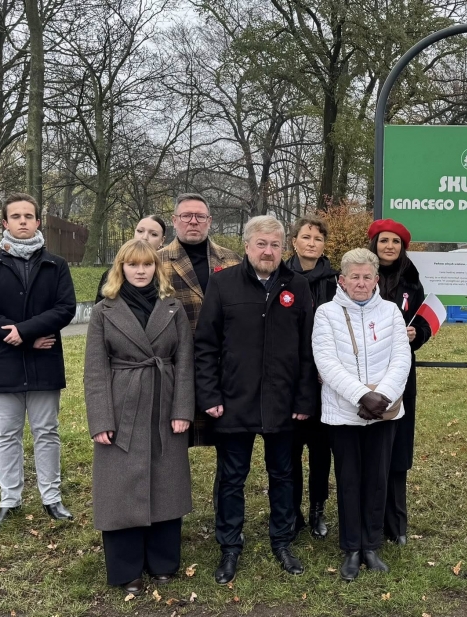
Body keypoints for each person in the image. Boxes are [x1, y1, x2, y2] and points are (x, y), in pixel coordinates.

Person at [194, 215, 318, 582]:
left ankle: (282, 541)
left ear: (283, 248)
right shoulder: (223, 284)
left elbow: (308, 348)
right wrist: (209, 394)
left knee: (283, 475)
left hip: (282, 402)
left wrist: (304, 399)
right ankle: (230, 546)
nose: (268, 251)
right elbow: (205, 345)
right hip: (235, 400)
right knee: (232, 478)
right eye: (261, 244)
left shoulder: (298, 286)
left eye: (275, 245)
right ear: (247, 246)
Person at [84, 239, 195, 594]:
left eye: (147, 264)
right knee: (119, 486)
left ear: (156, 268)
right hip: (121, 405)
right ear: (121, 268)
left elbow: (185, 362)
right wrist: (101, 420)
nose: (141, 270)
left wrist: (182, 409)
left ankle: (163, 561)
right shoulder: (103, 310)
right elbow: (95, 370)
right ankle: (126, 567)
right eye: (133, 264)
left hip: (164, 401)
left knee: (166, 480)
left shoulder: (173, 307)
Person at [0, 193, 76, 533]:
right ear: (5, 222)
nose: (23, 221)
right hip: (4, 363)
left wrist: (25, 331)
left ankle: (51, 498)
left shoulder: (56, 265)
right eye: (15, 216)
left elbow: (65, 308)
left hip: (45, 362)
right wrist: (26, 338)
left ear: (37, 221)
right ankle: (9, 500)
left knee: (47, 432)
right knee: (6, 434)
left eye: (28, 216)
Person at [312, 248, 411, 581]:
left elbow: (401, 358)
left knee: (377, 478)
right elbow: (326, 361)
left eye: (367, 277)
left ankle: (371, 544)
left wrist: (382, 397)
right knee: (349, 479)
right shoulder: (326, 313)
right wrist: (361, 395)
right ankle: (352, 547)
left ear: (376, 280)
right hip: (344, 412)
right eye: (354, 276)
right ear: (342, 280)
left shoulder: (391, 312)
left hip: (383, 411)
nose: (360, 282)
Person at [367, 219, 431, 545]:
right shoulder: (362, 276)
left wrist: (417, 333)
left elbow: (424, 321)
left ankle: (396, 524)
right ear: (374, 245)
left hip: (401, 372)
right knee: (369, 445)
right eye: (384, 241)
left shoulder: (412, 281)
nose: (389, 246)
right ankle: (368, 520)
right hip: (365, 371)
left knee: (398, 446)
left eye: (395, 241)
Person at [159, 194, 241, 447]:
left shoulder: (232, 261)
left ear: (209, 221)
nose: (193, 221)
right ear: (174, 220)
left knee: (229, 442)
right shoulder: (157, 262)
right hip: (176, 364)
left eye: (200, 216)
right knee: (173, 441)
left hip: (223, 365)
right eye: (186, 216)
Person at [286, 215, 339, 540]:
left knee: (321, 451)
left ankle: (318, 508)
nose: (311, 243)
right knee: (289, 450)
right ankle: (292, 511)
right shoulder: (280, 277)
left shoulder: (335, 282)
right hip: (290, 377)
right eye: (305, 237)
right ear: (294, 242)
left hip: (324, 378)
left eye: (318, 238)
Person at [95, 215, 168, 303]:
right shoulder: (111, 276)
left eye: (153, 234)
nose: (144, 237)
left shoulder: (169, 273)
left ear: (162, 240)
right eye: (140, 231)